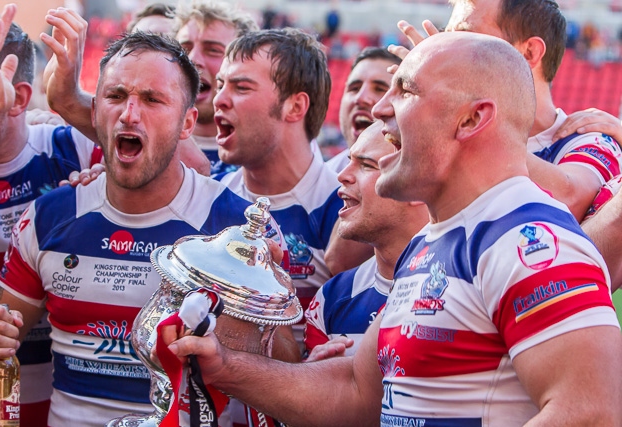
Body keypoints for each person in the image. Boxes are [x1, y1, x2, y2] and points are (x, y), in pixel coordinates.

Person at [166, 31, 622, 426]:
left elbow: (590, 413)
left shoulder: (531, 239)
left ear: (472, 119)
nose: (381, 108)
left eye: (405, 90)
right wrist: (225, 368)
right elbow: (356, 391)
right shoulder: (432, 241)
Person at [0, 28, 295, 427]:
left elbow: (289, 371)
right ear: (94, 111)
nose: (130, 113)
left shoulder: (239, 226)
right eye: (115, 96)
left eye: (152, 100)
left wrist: (246, 318)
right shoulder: (47, 218)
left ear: (187, 123)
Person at [393, 0, 622, 223]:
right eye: (448, 36)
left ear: (530, 52)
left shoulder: (587, 138)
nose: (449, 50)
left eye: (467, 36)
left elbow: (569, 200)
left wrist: (458, 124)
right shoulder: (441, 135)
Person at [0, 6, 101, 426]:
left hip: (62, 404)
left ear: (19, 98)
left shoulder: (73, 147)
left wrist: (73, 102)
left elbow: (192, 172)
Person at [212, 28, 344, 345]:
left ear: (295, 107)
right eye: (220, 85)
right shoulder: (210, 196)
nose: (218, 99)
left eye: (241, 87)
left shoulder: (343, 208)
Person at [304, 120, 429, 360]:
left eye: (366, 165)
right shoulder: (331, 298)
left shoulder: (466, 283)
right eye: (349, 160)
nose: (342, 175)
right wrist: (313, 376)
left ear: (417, 184)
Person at [41, 6, 210, 176]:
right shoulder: (93, 139)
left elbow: (196, 166)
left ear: (188, 122)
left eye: (168, 44)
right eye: (139, 44)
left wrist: (68, 99)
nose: (129, 115)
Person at [174, 0, 258, 173]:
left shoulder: (262, 161)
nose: (193, 59)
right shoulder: (143, 150)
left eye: (213, 50)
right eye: (183, 49)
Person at [327, 46, 401, 173]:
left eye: (380, 89)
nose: (361, 98)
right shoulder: (326, 184)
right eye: (354, 88)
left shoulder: (427, 188)